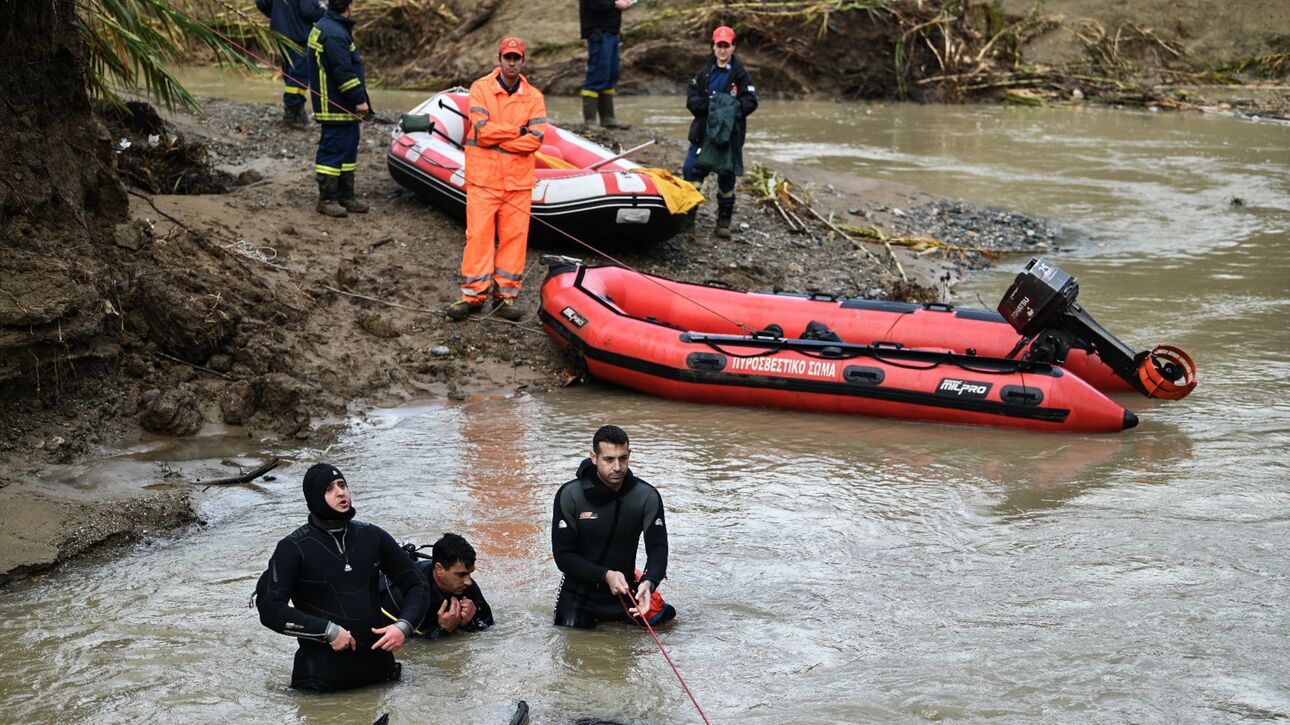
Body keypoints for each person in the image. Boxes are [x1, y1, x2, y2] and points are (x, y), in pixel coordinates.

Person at [255, 463, 430, 692]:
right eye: (329, 488)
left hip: (381, 678)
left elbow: (418, 584)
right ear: (315, 497)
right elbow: (270, 608)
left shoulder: (371, 536)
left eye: (342, 485)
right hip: (320, 686)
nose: (340, 492)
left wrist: (403, 627)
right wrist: (327, 631)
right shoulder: (293, 548)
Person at [446, 37, 548, 323]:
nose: (512, 63)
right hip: (483, 180)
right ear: (499, 59)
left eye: (517, 58)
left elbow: (536, 140)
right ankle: (472, 296)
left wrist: (500, 139)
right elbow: (481, 131)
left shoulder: (534, 97)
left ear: (523, 61)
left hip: (517, 184)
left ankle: (505, 297)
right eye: (508, 57)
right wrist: (518, 131)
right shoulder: (480, 88)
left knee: (515, 240)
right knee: (478, 237)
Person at [551, 425, 676, 629]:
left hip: (625, 590)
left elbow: (658, 548)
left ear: (629, 455)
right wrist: (606, 574)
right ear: (594, 457)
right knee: (572, 643)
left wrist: (649, 582)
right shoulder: (570, 495)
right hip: (579, 594)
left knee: (670, 629)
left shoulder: (646, 496)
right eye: (609, 459)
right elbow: (563, 556)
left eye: (623, 458)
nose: (617, 467)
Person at [683, 25, 758, 239]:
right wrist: (712, 106)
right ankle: (688, 221)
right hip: (702, 136)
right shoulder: (702, 75)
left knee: (726, 179)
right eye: (719, 45)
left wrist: (726, 108)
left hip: (729, 138)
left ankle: (723, 222)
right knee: (691, 173)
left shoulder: (742, 76)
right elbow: (692, 101)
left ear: (733, 47)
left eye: (727, 46)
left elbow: (751, 102)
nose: (723, 50)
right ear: (713, 47)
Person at [305, 0, 370, 217]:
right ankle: (327, 199)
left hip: (341, 105)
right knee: (333, 150)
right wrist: (360, 99)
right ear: (349, 6)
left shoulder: (330, 26)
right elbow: (343, 72)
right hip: (336, 104)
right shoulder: (333, 33)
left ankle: (345, 195)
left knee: (349, 149)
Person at [380, 533, 495, 638]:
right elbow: (404, 648)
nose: (468, 582)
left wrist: (469, 622)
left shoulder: (465, 585)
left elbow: (489, 627)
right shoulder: (404, 593)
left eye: (470, 573)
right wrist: (444, 629)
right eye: (461, 574)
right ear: (439, 569)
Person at [254, 0, 325, 127]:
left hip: (280, 34)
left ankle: (297, 111)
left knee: (291, 74)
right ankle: (292, 114)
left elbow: (261, 3)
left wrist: (277, 16)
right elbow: (308, 11)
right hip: (298, 36)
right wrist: (325, 10)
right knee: (298, 76)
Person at [578, 0, 634, 128]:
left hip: (612, 31)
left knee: (611, 74)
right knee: (597, 72)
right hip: (598, 32)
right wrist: (616, 3)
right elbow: (596, 4)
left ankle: (608, 118)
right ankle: (590, 120)